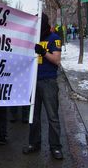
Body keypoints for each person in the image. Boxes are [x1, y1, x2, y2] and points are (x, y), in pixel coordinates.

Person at [22, 12, 63, 160]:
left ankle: (55, 147)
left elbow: (56, 60)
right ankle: (34, 143)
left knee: (52, 116)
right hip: (33, 81)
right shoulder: (32, 38)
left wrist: (44, 52)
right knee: (34, 115)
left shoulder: (54, 38)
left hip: (48, 82)